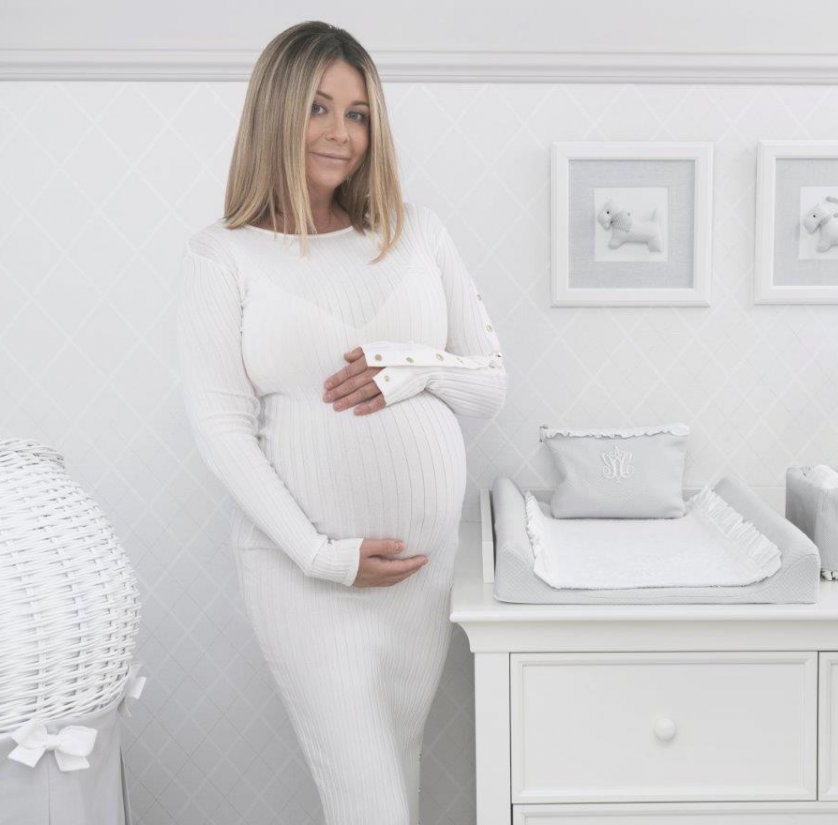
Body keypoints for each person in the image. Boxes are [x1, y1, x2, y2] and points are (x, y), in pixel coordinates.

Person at [174, 21, 507, 824]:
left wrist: (416, 367)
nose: (341, 133)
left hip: (418, 574)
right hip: (306, 577)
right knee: (371, 802)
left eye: (358, 114)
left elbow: (490, 382)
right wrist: (323, 555)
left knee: (396, 773)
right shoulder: (222, 255)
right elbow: (219, 425)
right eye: (319, 108)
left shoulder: (416, 231)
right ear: (276, 112)